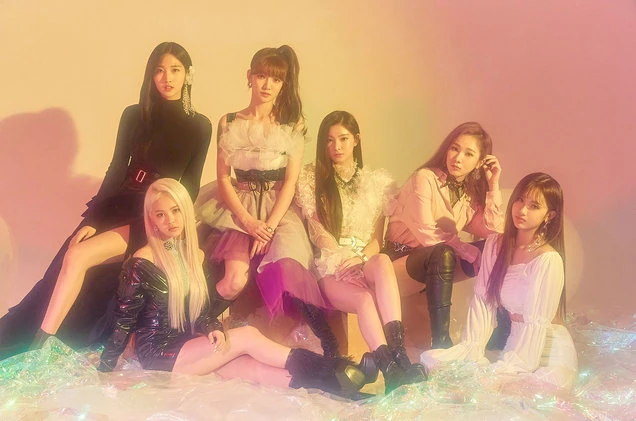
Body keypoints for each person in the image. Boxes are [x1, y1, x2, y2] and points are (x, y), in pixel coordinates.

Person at [0, 42, 212, 359]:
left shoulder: (200, 126)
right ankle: (29, 339)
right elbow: (116, 169)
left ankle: (38, 349)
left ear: (188, 75)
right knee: (65, 261)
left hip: (150, 213)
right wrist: (92, 220)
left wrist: (171, 222)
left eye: (175, 70)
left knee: (79, 257)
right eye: (159, 70)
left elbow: (191, 185)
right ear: (150, 75)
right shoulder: (134, 114)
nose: (167, 78)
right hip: (118, 202)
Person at [99, 178, 366, 398]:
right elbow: (123, 323)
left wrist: (212, 327)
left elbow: (200, 312)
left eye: (176, 210)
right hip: (158, 354)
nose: (170, 219)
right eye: (161, 214)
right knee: (246, 336)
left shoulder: (193, 257)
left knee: (251, 369)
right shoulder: (140, 263)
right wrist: (104, 370)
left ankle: (339, 388)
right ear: (152, 220)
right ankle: (333, 368)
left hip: (188, 344)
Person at [293, 111, 426, 394]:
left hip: (361, 260)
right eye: (329, 140)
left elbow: (376, 240)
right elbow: (317, 233)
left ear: (356, 140)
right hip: (330, 265)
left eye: (343, 139)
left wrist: (360, 259)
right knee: (365, 298)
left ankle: (399, 355)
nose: (336, 147)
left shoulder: (376, 185)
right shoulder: (311, 179)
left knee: (382, 260)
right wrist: (344, 260)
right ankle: (390, 369)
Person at [421, 173, 578, 390]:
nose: (522, 210)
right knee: (441, 367)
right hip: (516, 344)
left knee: (503, 394)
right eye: (520, 200)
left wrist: (502, 371)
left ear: (549, 216)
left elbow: (534, 328)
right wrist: (472, 349)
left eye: (534, 206)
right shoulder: (495, 245)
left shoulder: (548, 260)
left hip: (545, 350)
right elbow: (483, 301)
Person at [196, 45, 315, 322]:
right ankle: (198, 324)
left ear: (283, 84)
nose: (267, 85)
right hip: (239, 208)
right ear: (249, 76)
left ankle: (325, 343)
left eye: (276, 79)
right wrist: (249, 223)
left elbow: (290, 182)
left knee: (290, 272)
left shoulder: (293, 124)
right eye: (261, 76)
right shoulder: (228, 121)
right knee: (235, 280)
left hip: (279, 210)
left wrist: (269, 227)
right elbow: (223, 178)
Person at [383, 122, 504, 349]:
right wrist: (468, 251)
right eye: (454, 148)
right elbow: (427, 234)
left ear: (480, 163)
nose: (457, 158)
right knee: (443, 252)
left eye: (468, 154)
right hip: (399, 264)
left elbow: (495, 233)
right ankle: (442, 343)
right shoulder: (424, 178)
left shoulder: (468, 197)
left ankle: (499, 328)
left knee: (497, 247)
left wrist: (493, 186)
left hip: (438, 265)